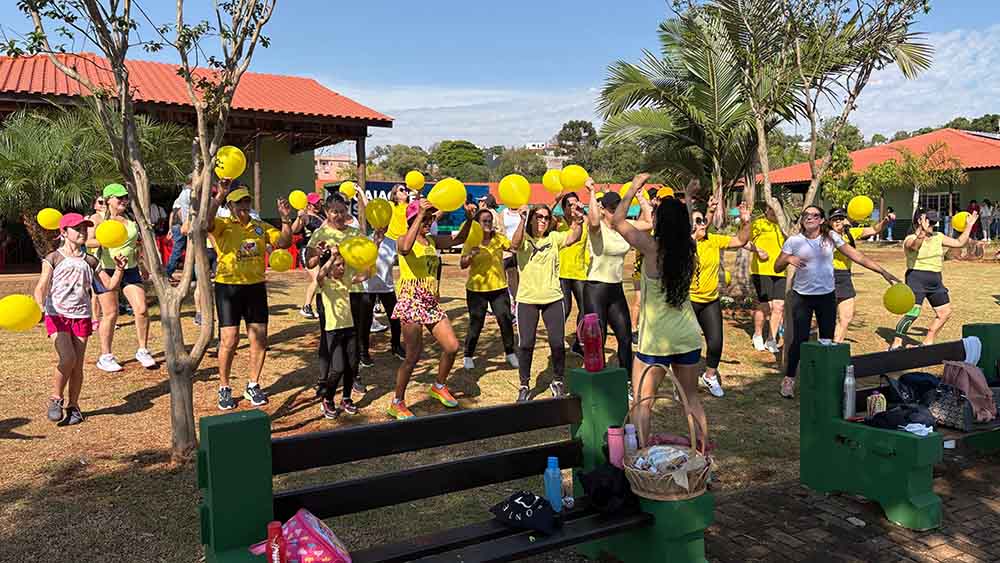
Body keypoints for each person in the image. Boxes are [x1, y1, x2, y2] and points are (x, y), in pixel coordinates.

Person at [612, 176, 705, 448]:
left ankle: (643, 460)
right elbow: (681, 224)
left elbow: (617, 221)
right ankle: (703, 456)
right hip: (688, 336)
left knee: (643, 403)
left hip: (657, 340)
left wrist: (631, 189)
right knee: (692, 400)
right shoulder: (689, 247)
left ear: (659, 222)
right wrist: (686, 198)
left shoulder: (651, 248)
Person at [775, 206, 899, 398]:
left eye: (815, 215)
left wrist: (882, 271)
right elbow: (777, 266)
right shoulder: (794, 241)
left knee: (827, 341)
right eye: (806, 215)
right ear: (802, 220)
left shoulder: (831, 238)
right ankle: (789, 379)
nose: (810, 218)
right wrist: (789, 258)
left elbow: (857, 256)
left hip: (826, 296)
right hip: (802, 297)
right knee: (800, 340)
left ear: (822, 220)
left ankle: (823, 380)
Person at [35, 214, 127, 425]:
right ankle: (56, 398)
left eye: (85, 229)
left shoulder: (90, 261)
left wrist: (120, 269)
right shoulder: (53, 258)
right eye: (77, 229)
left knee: (77, 366)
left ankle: (74, 406)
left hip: (81, 316)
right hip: (57, 314)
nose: (83, 232)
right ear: (64, 233)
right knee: (68, 359)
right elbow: (42, 285)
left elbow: (110, 285)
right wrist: (40, 306)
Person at [208, 186, 293, 410]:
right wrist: (218, 197)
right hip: (228, 287)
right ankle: (224, 387)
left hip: (255, 287)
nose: (244, 206)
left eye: (246, 202)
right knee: (230, 339)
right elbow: (206, 224)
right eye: (239, 203)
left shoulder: (260, 227)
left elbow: (283, 243)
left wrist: (285, 220)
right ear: (231, 206)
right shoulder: (223, 225)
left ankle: (253, 384)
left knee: (260, 339)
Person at [388, 199, 472, 419]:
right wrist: (419, 215)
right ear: (412, 219)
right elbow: (405, 249)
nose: (428, 222)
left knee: (452, 346)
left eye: (430, 218)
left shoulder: (432, 241)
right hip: (411, 300)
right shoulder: (402, 239)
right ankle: (397, 402)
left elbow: (461, 238)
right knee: (413, 356)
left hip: (430, 301)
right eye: (425, 218)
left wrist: (470, 219)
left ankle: (438, 385)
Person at [511, 200, 583, 402]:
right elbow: (514, 245)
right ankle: (524, 384)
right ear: (532, 218)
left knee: (557, 343)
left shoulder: (554, 238)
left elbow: (573, 237)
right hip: (527, 299)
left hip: (553, 298)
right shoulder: (524, 238)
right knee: (526, 344)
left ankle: (558, 380)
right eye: (539, 216)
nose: (543, 220)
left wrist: (578, 222)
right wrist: (522, 220)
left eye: (546, 217)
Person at [86, 183, 157, 372]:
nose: (124, 201)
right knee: (111, 313)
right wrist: (107, 239)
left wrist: (141, 263)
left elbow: (136, 244)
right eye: (119, 198)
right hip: (106, 270)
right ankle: (106, 356)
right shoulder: (98, 218)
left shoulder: (130, 218)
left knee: (141, 309)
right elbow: (87, 240)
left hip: (130, 268)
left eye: (125, 197)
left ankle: (142, 350)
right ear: (108, 199)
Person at [890, 208, 979, 350]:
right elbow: (914, 247)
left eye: (934, 223)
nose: (933, 226)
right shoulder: (910, 238)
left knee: (945, 313)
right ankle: (896, 344)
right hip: (916, 277)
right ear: (920, 221)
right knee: (913, 313)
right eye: (930, 222)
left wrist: (969, 225)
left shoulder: (938, 236)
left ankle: (928, 341)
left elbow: (959, 243)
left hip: (935, 279)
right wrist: (922, 233)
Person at [690, 198, 752, 397]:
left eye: (702, 221)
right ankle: (683, 382)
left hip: (710, 300)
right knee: (687, 345)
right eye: (698, 222)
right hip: (688, 301)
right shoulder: (683, 245)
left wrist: (745, 221)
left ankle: (709, 376)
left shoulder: (713, 240)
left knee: (715, 342)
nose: (703, 224)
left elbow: (740, 241)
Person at [583, 182, 634, 371]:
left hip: (616, 288)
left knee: (625, 336)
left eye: (619, 209)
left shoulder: (623, 228)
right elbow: (594, 222)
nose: (616, 213)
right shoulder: (597, 229)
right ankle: (597, 378)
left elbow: (648, 222)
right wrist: (592, 193)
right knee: (598, 338)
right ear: (603, 209)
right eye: (612, 209)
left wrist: (642, 195)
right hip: (595, 288)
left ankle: (627, 379)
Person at [313, 242, 366, 418]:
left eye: (343, 264)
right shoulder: (325, 282)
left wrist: (375, 248)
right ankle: (327, 399)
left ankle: (346, 398)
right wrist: (332, 257)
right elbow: (319, 275)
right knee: (337, 368)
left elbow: (365, 275)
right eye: (338, 265)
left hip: (349, 329)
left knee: (352, 366)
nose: (342, 268)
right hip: (333, 331)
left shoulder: (345, 281)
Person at [461, 208, 518, 370]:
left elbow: (513, 247)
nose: (488, 223)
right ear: (477, 224)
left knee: (505, 319)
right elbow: (462, 264)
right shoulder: (472, 240)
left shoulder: (498, 238)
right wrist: (470, 255)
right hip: (476, 290)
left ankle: (510, 353)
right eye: (484, 221)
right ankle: (468, 355)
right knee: (476, 323)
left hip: (499, 288)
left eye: (489, 220)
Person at [828, 206, 893, 343]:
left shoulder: (850, 233)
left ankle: (836, 345)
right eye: (835, 219)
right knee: (827, 317)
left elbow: (874, 229)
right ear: (829, 222)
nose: (839, 222)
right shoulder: (826, 236)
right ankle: (825, 345)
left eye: (841, 218)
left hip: (845, 276)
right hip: (828, 276)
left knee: (846, 316)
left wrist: (885, 221)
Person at [746, 206, 786, 354]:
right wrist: (758, 250)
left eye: (776, 208)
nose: (773, 211)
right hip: (761, 270)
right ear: (766, 210)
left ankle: (771, 339)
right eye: (770, 208)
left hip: (781, 271)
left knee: (779, 306)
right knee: (765, 306)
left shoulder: (784, 226)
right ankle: (757, 335)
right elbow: (744, 241)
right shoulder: (759, 224)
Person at [555, 191, 590, 356]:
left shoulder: (585, 221)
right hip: (561, 272)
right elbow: (540, 221)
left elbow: (599, 225)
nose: (573, 207)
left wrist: (585, 212)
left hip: (580, 271)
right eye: (569, 204)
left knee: (585, 308)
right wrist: (554, 200)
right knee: (565, 308)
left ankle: (578, 342)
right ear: (563, 208)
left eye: (575, 203)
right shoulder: (558, 223)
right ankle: (557, 339)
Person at [291, 192, 326, 319]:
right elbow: (294, 230)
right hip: (308, 251)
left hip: (320, 252)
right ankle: (306, 307)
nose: (317, 204)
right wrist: (298, 217)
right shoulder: (306, 217)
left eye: (319, 202)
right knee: (317, 278)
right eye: (314, 203)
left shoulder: (321, 215)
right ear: (309, 205)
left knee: (322, 280)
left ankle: (318, 306)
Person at [500, 199, 523, 320]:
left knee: (520, 280)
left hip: (521, 250)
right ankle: (513, 306)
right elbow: (501, 230)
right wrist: (506, 246)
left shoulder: (524, 210)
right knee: (510, 279)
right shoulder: (503, 213)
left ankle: (520, 306)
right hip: (508, 251)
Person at [166, 181, 191, 279]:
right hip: (180, 226)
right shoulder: (185, 195)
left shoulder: (179, 199)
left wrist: (170, 228)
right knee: (178, 250)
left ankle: (190, 273)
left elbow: (172, 214)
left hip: (178, 226)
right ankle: (168, 271)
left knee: (183, 249)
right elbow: (177, 213)